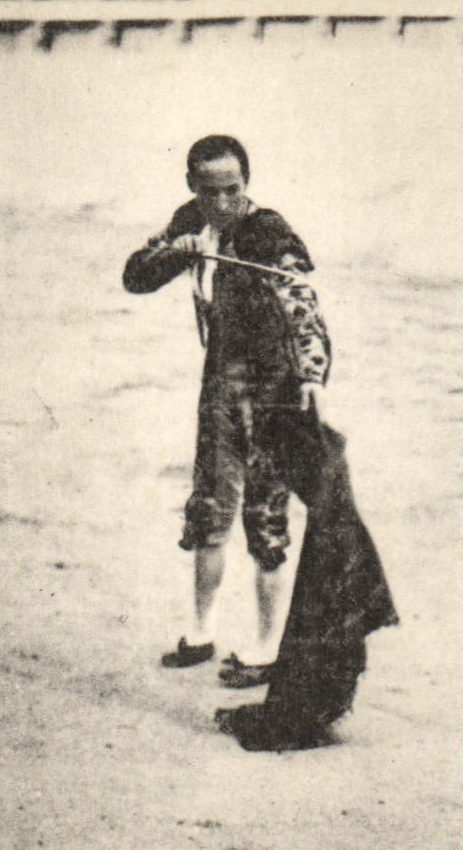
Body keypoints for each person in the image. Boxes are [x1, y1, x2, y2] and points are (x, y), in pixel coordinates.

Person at [123, 135, 331, 686]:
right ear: (193, 186)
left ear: (247, 184)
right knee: (210, 507)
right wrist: (175, 252)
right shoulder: (190, 221)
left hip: (274, 388)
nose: (222, 202)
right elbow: (136, 276)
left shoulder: (270, 232)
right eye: (210, 191)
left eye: (232, 189)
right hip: (220, 382)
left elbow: (302, 303)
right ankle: (200, 632)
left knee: (265, 517)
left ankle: (265, 650)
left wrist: (312, 375)